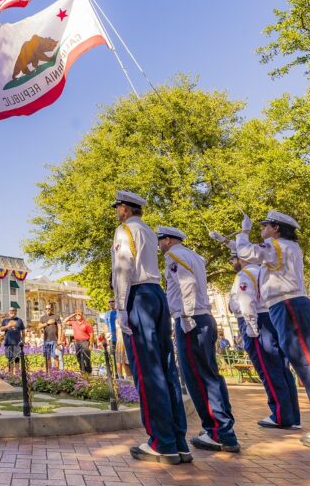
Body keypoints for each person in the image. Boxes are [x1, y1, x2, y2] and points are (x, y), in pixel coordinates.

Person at [236, 210, 310, 451]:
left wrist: (243, 232)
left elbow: (247, 252)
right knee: (309, 368)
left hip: (288, 306)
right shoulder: (287, 247)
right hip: (290, 305)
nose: (262, 229)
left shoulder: (275, 244)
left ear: (276, 228)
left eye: (265, 225)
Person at [110, 192, 189, 464]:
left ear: (125, 208)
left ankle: (161, 442)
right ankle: (178, 440)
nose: (117, 211)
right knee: (166, 369)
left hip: (138, 296)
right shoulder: (148, 232)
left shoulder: (125, 230)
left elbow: (123, 269)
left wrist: (121, 308)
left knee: (146, 371)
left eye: (118, 207)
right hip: (156, 294)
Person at [157, 225, 240, 453]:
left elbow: (187, 285)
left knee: (198, 377)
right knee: (210, 375)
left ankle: (218, 432)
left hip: (192, 319)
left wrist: (185, 316)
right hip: (203, 317)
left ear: (167, 240)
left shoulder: (174, 255)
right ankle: (223, 429)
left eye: (160, 240)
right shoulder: (195, 256)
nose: (158, 245)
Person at [223, 244, 301, 430]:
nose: (234, 262)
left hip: (255, 321)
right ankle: (291, 415)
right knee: (281, 368)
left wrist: (251, 327)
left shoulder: (245, 274)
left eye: (235, 258)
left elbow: (246, 301)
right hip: (270, 317)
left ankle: (280, 415)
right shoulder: (264, 271)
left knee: (268, 370)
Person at [65, 308, 94, 375]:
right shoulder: (74, 322)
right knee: (78, 357)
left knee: (87, 357)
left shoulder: (87, 324)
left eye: (79, 314)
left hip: (85, 342)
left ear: (82, 315)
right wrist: (72, 315)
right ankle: (82, 371)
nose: (78, 315)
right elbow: (64, 322)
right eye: (76, 314)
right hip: (77, 342)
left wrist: (91, 344)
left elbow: (91, 335)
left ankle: (89, 371)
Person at [38, 304, 63, 373]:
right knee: (47, 357)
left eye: (49, 308)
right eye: (46, 309)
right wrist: (47, 323)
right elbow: (39, 326)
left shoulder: (56, 317)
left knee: (55, 357)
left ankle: (57, 373)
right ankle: (49, 372)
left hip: (55, 340)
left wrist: (59, 339)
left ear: (52, 309)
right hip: (46, 340)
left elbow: (60, 328)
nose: (47, 310)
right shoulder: (43, 318)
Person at [0, 306, 25, 373]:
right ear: (8, 312)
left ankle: (17, 373)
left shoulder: (19, 320)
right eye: (10, 311)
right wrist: (9, 325)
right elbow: (1, 329)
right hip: (8, 343)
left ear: (16, 312)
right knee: (10, 359)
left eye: (13, 310)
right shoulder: (5, 320)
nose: (12, 312)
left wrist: (23, 341)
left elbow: (23, 331)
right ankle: (11, 374)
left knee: (17, 358)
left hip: (17, 343)